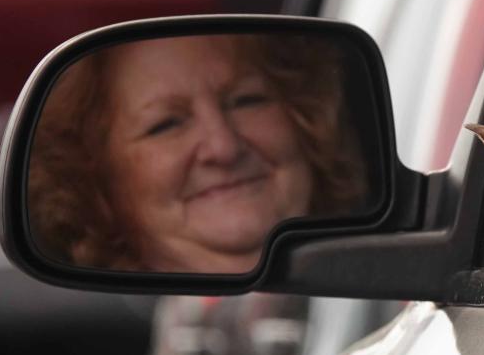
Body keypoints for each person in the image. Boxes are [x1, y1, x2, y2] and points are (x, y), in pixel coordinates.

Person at [29, 33, 366, 273]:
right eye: (166, 125)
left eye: (246, 100)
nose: (224, 147)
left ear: (307, 118)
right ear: (95, 181)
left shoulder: (371, 289)